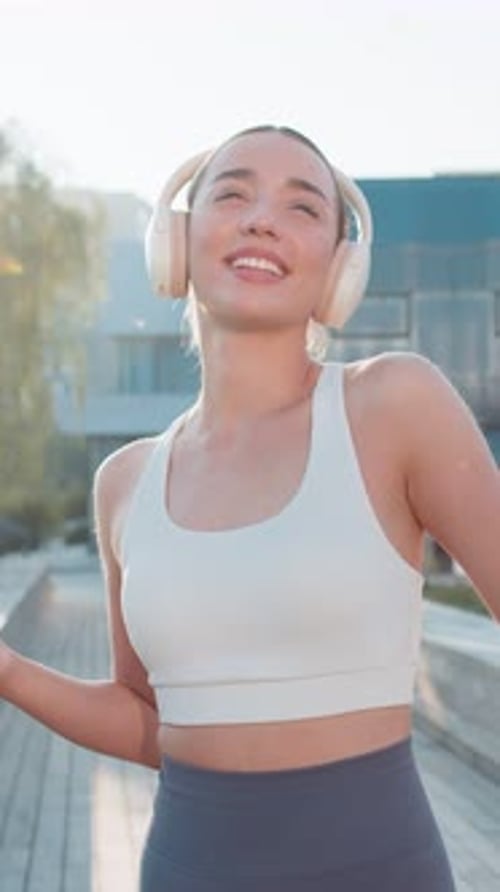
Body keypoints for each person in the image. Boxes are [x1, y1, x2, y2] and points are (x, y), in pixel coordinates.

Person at [1, 124, 499, 891]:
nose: (261, 217)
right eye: (231, 194)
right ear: (175, 244)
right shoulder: (124, 482)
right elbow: (147, 720)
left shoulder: (394, 404)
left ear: (341, 269)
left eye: (302, 207)